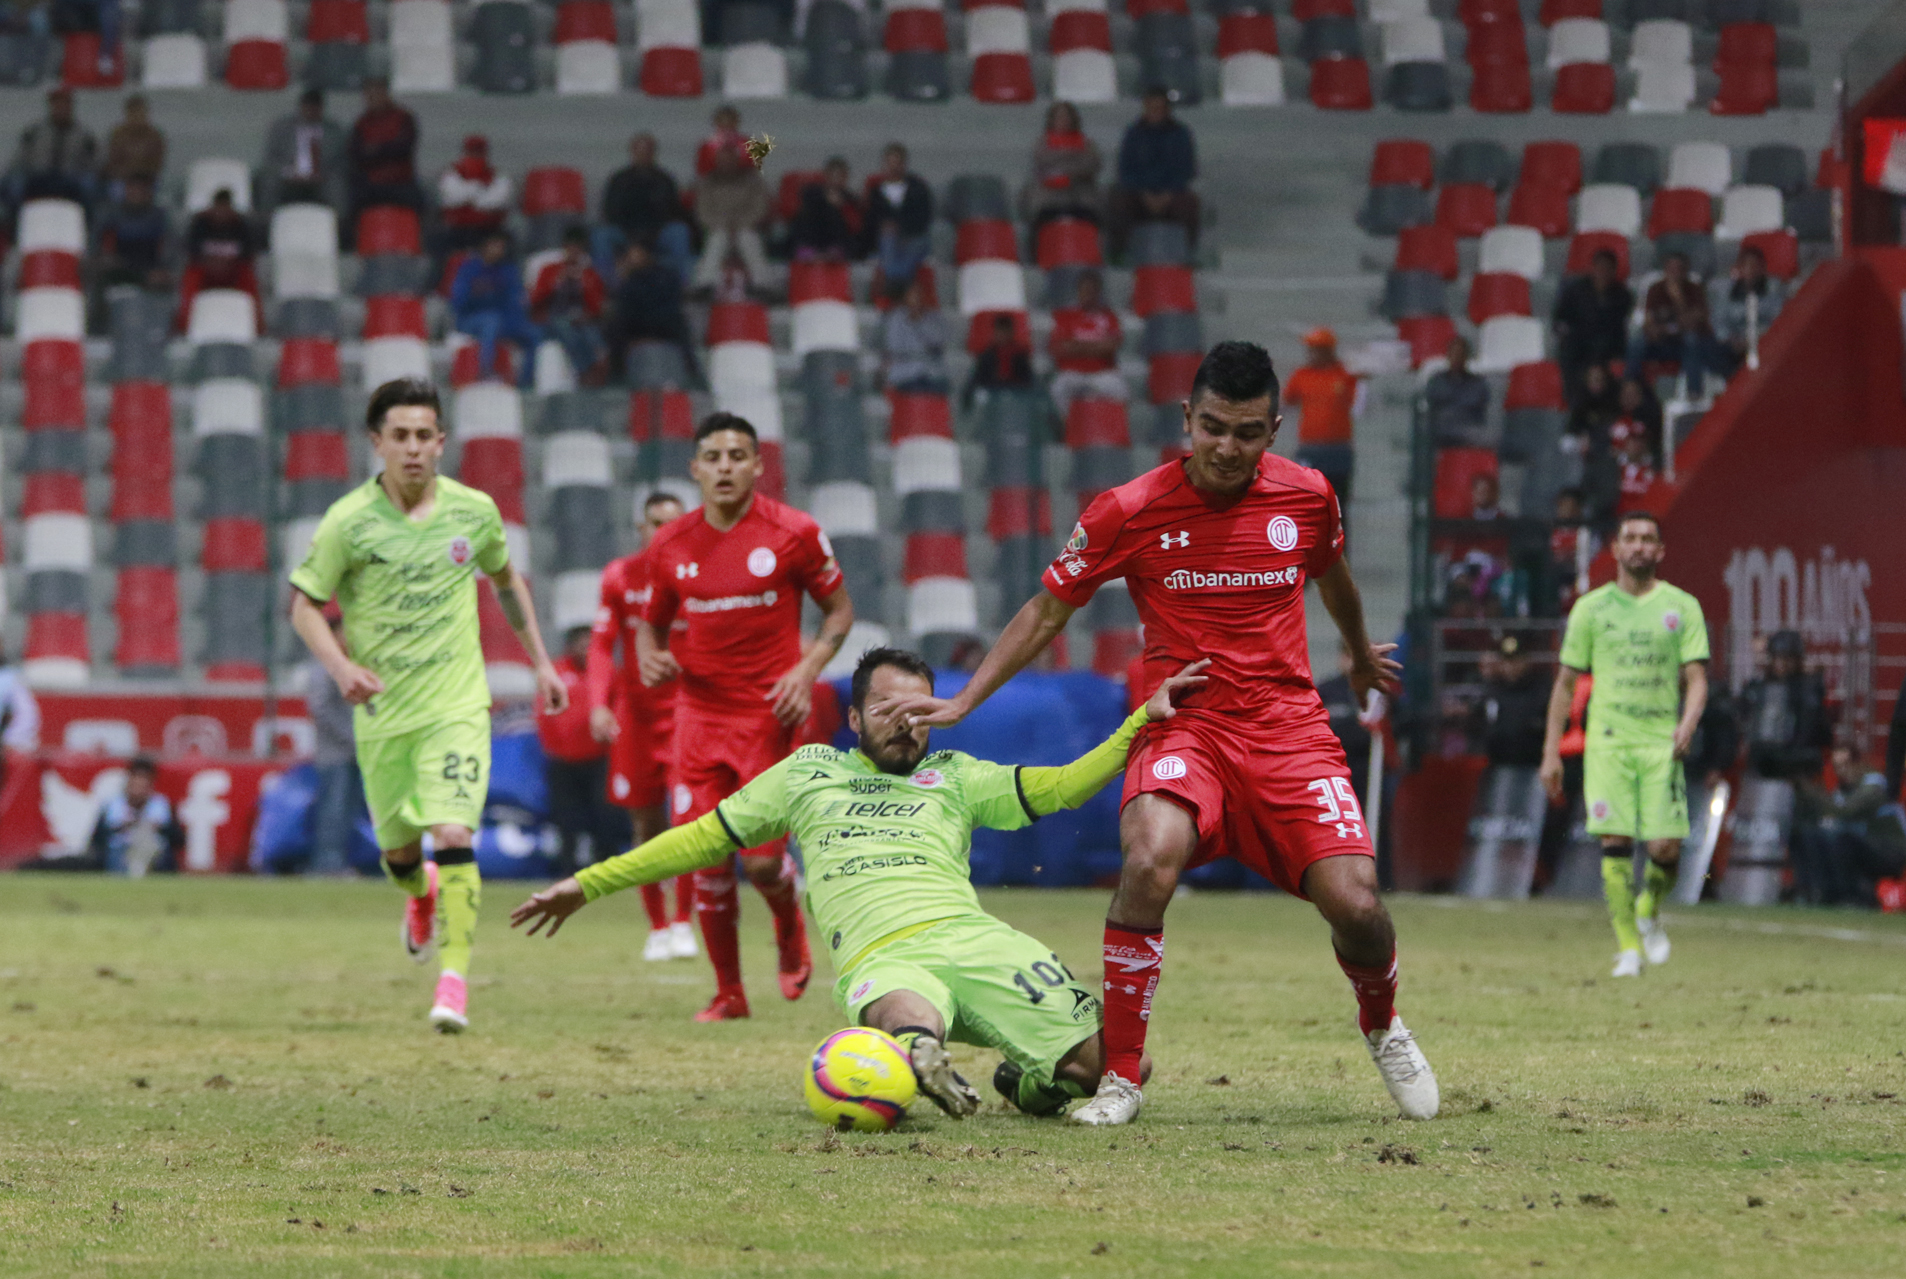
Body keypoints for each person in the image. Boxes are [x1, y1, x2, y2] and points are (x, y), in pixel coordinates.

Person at [872, 341, 1438, 1127]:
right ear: (1186, 420)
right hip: (1187, 723)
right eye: (1212, 428)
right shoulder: (1127, 509)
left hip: (1287, 729)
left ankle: (1381, 1022)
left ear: (1274, 429)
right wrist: (966, 698)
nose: (1227, 448)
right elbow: (1045, 610)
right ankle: (1123, 1078)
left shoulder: (1308, 496)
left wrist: (1352, 645)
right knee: (1147, 861)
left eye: (1246, 432)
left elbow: (1330, 570)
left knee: (1360, 905)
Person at [514, 649, 1209, 1117]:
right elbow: (702, 836)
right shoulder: (808, 771)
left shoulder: (960, 776)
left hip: (976, 942)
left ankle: (1028, 1082)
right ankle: (918, 1052)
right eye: (887, 710)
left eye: (920, 711)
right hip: (884, 955)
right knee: (913, 1023)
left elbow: (1059, 789)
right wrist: (589, 883)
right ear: (853, 719)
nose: (907, 723)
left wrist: (1138, 723)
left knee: (1125, 1068)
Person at [288, 377, 567, 1033]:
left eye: (424, 436)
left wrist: (541, 662)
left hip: (457, 707)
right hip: (384, 715)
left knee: (453, 835)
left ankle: (454, 980)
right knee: (402, 855)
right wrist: (342, 667)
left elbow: (505, 580)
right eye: (400, 436)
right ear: (376, 443)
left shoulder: (474, 512)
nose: (413, 448)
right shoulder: (347, 522)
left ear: (441, 442)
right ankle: (420, 897)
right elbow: (304, 605)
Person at [635, 412, 857, 1021]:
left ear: (759, 465)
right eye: (714, 456)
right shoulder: (671, 543)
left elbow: (838, 612)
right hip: (699, 720)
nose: (725, 466)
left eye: (738, 455)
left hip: (770, 717)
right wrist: (652, 657)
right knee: (705, 859)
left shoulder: (794, 532)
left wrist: (805, 671)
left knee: (759, 862)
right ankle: (729, 993)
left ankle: (788, 924)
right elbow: (650, 625)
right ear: (696, 468)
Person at [1539, 511, 1709, 979]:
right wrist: (1552, 750)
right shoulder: (1591, 609)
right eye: (1630, 538)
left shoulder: (1682, 606)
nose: (1638, 546)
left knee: (1665, 849)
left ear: (1660, 551)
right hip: (1608, 743)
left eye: (1647, 539)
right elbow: (1565, 684)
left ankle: (1649, 908)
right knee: (1614, 841)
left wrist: (1688, 721)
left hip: (1661, 744)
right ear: (1615, 549)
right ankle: (1629, 949)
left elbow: (1697, 679)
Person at [588, 490, 699, 963]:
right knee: (646, 821)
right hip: (635, 718)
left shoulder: (701, 577)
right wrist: (598, 703)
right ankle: (656, 925)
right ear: (641, 528)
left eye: (673, 523)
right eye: (655, 523)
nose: (664, 532)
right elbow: (600, 645)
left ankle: (683, 922)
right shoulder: (620, 576)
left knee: (689, 817)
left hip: (687, 714)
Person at [539, 626, 630, 877]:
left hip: (600, 759)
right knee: (566, 818)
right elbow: (543, 713)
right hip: (563, 762)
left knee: (606, 815)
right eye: (580, 643)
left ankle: (609, 870)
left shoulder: (607, 672)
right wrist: (555, 747)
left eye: (589, 643)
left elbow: (621, 707)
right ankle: (567, 871)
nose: (584, 648)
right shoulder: (557, 672)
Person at [1794, 745, 1906, 907]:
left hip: (1891, 849)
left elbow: (1847, 811)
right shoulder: (1843, 791)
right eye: (1837, 766)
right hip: (1867, 845)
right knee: (1808, 834)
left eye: (1845, 764)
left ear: (1858, 762)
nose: (1841, 771)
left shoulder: (1875, 785)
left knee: (1842, 839)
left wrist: (1808, 789)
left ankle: (1852, 896)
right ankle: (1820, 892)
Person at [304, 603, 364, 876]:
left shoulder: (352, 665)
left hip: (351, 752)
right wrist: (353, 737)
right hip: (334, 754)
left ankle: (338, 863)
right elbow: (321, 708)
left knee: (347, 812)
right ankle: (327, 864)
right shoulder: (325, 666)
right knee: (333, 812)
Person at [1108, 88, 1198, 260]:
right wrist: (1144, 193)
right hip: (1139, 192)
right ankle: (1118, 255)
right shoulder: (1133, 134)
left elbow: (1186, 170)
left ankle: (1187, 255)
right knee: (1118, 202)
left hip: (1171, 193)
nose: (1155, 112)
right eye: (1151, 107)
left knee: (1189, 205)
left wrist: (1168, 194)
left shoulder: (1181, 134)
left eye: (1160, 108)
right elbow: (1125, 170)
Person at [1737, 629, 1830, 784]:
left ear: (1797, 660)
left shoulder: (1807, 689)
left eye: (1787, 659)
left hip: (1797, 767)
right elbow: (1747, 721)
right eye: (1777, 658)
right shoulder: (1759, 688)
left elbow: (1810, 729)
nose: (1782, 664)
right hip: (1764, 764)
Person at [598, 133, 691, 284]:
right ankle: (606, 285)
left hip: (657, 233)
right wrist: (634, 243)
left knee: (679, 232)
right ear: (632, 152)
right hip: (625, 232)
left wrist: (643, 244)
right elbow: (611, 211)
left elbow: (670, 213)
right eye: (639, 151)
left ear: (653, 153)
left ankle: (679, 284)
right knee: (601, 235)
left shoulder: (665, 180)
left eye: (647, 151)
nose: (643, 155)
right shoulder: (618, 179)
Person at [1281, 328, 1359, 507]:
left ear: (1328, 351)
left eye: (1316, 349)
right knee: (1308, 499)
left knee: (1339, 502)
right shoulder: (1302, 375)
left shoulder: (1344, 375)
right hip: (1310, 448)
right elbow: (1286, 403)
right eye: (1310, 349)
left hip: (1338, 449)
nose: (1312, 354)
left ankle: (1338, 535)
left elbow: (1359, 406)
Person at [450, 230, 539, 387]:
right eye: (495, 246)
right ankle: (485, 372)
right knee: (491, 321)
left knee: (532, 334)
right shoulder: (469, 269)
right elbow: (458, 301)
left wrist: (518, 323)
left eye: (501, 247)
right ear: (484, 247)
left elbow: (515, 301)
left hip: (502, 320)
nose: (499, 250)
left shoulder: (508, 270)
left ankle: (526, 383)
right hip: (469, 320)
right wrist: (478, 295)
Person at [607, 239, 697, 384]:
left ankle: (617, 375)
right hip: (644, 325)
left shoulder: (663, 276)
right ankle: (617, 373)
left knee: (619, 325)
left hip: (661, 325)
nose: (631, 258)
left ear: (646, 254)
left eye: (634, 253)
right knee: (615, 325)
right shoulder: (632, 279)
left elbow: (655, 307)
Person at [1626, 253, 1715, 399]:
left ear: (1685, 270)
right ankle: (1629, 386)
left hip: (1683, 344)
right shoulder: (1655, 289)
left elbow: (1696, 319)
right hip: (1661, 341)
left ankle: (1694, 392)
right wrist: (1657, 329)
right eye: (1671, 269)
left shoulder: (1694, 289)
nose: (1675, 273)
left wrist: (1678, 300)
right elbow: (1649, 320)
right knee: (1636, 343)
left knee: (1691, 340)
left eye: (1678, 269)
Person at [1551, 248, 1633, 402]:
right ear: (1592, 268)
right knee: (1568, 350)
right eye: (1599, 267)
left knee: (1602, 350)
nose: (1603, 272)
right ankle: (1574, 400)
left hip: (1608, 343)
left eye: (1607, 268)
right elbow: (1560, 318)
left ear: (1614, 271)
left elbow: (1618, 325)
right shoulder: (1575, 290)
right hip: (1579, 341)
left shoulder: (1622, 294)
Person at [529, 225, 608, 385]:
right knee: (565, 327)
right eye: (570, 248)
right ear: (564, 248)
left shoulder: (589, 274)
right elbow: (534, 300)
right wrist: (556, 282)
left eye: (577, 249)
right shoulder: (549, 270)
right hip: (551, 319)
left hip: (581, 319)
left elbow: (596, 307)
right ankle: (584, 371)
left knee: (592, 335)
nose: (573, 252)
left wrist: (583, 283)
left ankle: (597, 372)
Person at [691, 145, 771, 295]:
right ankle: (704, 285)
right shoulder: (707, 182)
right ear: (716, 162)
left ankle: (763, 285)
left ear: (737, 161)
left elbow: (760, 207)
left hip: (747, 227)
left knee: (749, 239)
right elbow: (703, 211)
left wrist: (741, 225)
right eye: (722, 161)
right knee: (717, 239)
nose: (726, 164)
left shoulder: (753, 180)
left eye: (730, 160)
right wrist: (723, 225)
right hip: (718, 227)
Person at [347, 78, 422, 233]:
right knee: (351, 201)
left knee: (419, 203)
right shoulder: (362, 123)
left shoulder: (403, 118)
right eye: (369, 95)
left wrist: (375, 150)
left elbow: (403, 148)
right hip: (370, 181)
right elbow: (356, 153)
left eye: (377, 94)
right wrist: (384, 150)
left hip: (400, 181)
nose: (372, 98)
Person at [1047, 270, 1125, 417]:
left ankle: (1110, 431)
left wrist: (1077, 347)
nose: (1088, 294)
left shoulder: (1109, 316)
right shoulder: (1065, 316)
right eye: (1084, 290)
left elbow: (1112, 346)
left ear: (1098, 293)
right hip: (1072, 372)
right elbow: (1060, 348)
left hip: (1102, 373)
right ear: (1078, 292)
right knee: (1058, 389)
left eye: (1092, 291)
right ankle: (1071, 427)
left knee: (1120, 390)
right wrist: (1096, 347)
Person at [6, 86, 98, 210]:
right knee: (14, 184)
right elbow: (19, 158)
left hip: (70, 179)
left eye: (65, 104)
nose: (61, 108)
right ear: (51, 106)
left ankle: (86, 225)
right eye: (57, 104)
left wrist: (85, 173)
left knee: (90, 185)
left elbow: (94, 162)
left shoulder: (84, 135)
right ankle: (16, 223)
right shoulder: (34, 132)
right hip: (38, 177)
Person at [177, 188, 257, 329]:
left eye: (225, 208)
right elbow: (193, 254)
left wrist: (226, 264)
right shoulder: (200, 224)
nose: (222, 213)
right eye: (219, 208)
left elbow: (248, 255)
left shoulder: (241, 225)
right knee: (191, 276)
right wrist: (212, 264)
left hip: (232, 272)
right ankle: (185, 325)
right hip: (206, 272)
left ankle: (256, 325)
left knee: (248, 275)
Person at [862, 143, 933, 300]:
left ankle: (892, 283)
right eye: (890, 163)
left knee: (909, 245)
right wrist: (885, 227)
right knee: (888, 239)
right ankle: (903, 286)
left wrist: (900, 227)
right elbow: (870, 222)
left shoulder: (918, 188)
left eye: (897, 162)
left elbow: (924, 217)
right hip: (886, 241)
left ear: (904, 164)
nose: (893, 167)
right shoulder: (876, 192)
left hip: (913, 237)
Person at [88, 757, 182, 877]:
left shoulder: (161, 805)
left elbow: (178, 839)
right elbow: (97, 839)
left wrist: (160, 828)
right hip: (120, 851)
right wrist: (120, 827)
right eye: (135, 781)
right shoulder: (113, 805)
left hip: (151, 852)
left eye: (143, 782)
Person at [260, 88, 348, 213]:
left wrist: (323, 173)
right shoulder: (282, 128)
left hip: (322, 178)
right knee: (269, 182)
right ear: (301, 107)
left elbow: (340, 160)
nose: (311, 111)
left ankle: (339, 225)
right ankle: (266, 225)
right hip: (289, 177)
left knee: (337, 186)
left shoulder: (333, 131)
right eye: (307, 106)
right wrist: (289, 172)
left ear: (321, 109)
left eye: (315, 107)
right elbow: (272, 158)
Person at [1708, 243, 1787, 381]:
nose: (1751, 270)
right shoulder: (1727, 291)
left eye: (1755, 266)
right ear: (1740, 269)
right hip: (1734, 342)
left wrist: (1751, 339)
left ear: (1762, 268)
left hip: (1763, 341)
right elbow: (1719, 320)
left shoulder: (1774, 289)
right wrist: (1730, 338)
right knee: (1708, 348)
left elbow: (1778, 321)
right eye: (1747, 266)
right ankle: (1734, 383)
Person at [1022, 101, 1103, 228]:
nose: (1063, 120)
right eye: (1059, 117)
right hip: (1048, 197)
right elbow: (1044, 164)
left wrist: (1066, 170)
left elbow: (1091, 165)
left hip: (1081, 195)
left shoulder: (1088, 144)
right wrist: (1072, 161)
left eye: (1066, 117)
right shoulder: (1042, 144)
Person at [1471, 636, 1548, 768]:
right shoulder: (1492, 691)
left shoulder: (1541, 689)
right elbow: (1480, 725)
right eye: (1507, 661)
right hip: (1499, 763)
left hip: (1535, 762)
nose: (1512, 666)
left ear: (1526, 661)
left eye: (1516, 661)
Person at [92, 174, 171, 295]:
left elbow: (168, 247)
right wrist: (105, 257)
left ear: (148, 192)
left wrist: (162, 269)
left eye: (140, 190)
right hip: (118, 265)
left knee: (162, 281)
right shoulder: (112, 214)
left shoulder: (158, 217)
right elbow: (101, 243)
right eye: (132, 189)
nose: (136, 194)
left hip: (148, 268)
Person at [436, 134, 511, 258]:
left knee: (502, 243)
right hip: (457, 229)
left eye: (478, 153)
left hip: (489, 230)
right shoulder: (451, 173)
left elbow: (497, 201)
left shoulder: (498, 175)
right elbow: (452, 198)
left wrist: (468, 196)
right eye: (472, 152)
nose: (475, 157)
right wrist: (479, 189)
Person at [880, 275, 949, 394]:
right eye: (912, 294)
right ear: (905, 297)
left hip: (931, 373)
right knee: (915, 389)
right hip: (904, 372)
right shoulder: (895, 318)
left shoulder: (934, 317)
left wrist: (919, 321)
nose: (916, 298)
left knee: (940, 387)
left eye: (919, 294)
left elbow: (938, 342)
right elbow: (894, 347)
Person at [789, 156, 861, 262]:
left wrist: (842, 207)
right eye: (833, 175)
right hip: (811, 240)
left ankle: (832, 251)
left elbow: (855, 226)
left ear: (845, 177)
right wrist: (825, 199)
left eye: (840, 176)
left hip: (838, 244)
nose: (836, 180)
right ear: (826, 175)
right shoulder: (811, 192)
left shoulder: (850, 199)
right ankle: (809, 250)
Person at [960, 313, 1036, 411]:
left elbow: (1027, 379)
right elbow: (977, 378)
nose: (1002, 335)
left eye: (1005, 332)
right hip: (991, 400)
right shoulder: (987, 355)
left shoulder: (1020, 355)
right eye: (999, 331)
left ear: (1011, 332)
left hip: (1015, 401)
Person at [1423, 335, 1489, 447]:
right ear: (1448, 356)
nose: (1457, 358)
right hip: (1440, 429)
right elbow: (1432, 405)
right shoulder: (1436, 381)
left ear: (1466, 357)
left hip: (1468, 430)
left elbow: (1476, 406)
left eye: (1460, 354)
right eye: (1454, 354)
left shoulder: (1478, 384)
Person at [102, 93, 162, 199]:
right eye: (134, 114)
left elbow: (156, 164)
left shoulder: (154, 136)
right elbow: (113, 162)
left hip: (147, 180)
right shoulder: (117, 134)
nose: (137, 118)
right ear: (127, 115)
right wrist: (130, 179)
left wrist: (141, 180)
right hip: (123, 179)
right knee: (116, 190)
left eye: (141, 113)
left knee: (156, 189)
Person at [694, 104, 750, 176]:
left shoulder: (747, 144)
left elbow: (751, 168)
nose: (727, 125)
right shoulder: (706, 146)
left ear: (736, 122)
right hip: (712, 182)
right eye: (722, 122)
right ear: (716, 122)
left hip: (743, 182)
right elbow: (702, 170)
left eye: (730, 122)